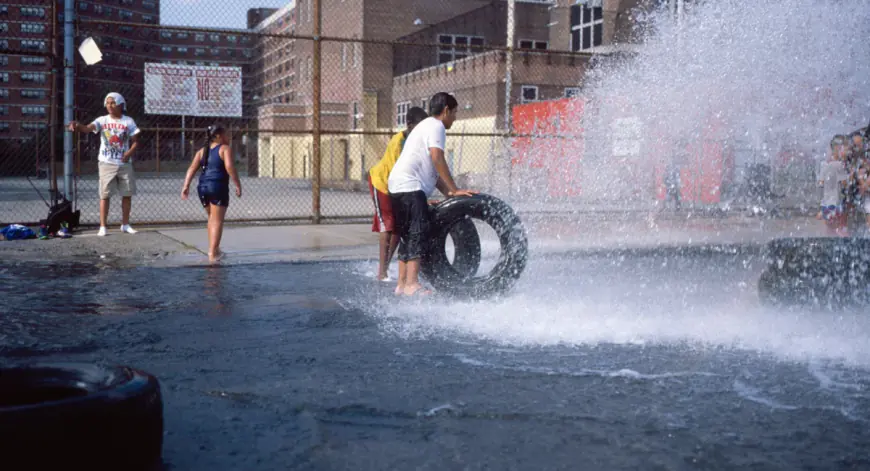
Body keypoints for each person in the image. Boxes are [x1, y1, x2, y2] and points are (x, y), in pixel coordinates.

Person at [387, 92, 477, 297]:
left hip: (397, 185)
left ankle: (401, 284)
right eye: (454, 113)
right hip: (411, 186)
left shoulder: (424, 126)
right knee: (418, 232)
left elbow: (433, 173)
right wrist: (454, 189)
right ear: (445, 110)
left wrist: (449, 194)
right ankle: (412, 284)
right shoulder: (436, 126)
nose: (455, 118)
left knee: (407, 234)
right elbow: (437, 158)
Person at [368, 106, 429, 282]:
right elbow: (399, 171)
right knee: (387, 224)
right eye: (418, 127)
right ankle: (381, 272)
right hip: (382, 183)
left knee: (398, 226)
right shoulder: (399, 141)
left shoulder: (416, 142)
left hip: (397, 186)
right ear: (409, 125)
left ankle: (387, 266)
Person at [67, 92, 140, 237]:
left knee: (127, 194)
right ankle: (103, 226)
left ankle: (125, 224)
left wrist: (129, 153)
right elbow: (88, 128)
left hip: (124, 164)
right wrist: (78, 125)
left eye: (113, 103)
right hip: (106, 163)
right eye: (107, 103)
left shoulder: (128, 121)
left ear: (120, 104)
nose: (110, 106)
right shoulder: (102, 120)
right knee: (104, 195)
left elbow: (136, 141)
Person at [181, 124, 242, 263]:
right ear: (218, 136)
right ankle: (213, 253)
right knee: (217, 220)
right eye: (226, 134)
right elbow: (229, 167)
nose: (228, 137)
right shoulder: (224, 149)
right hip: (217, 186)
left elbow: (191, 168)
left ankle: (214, 249)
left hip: (202, 187)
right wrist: (237, 184)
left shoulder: (201, 151)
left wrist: (186, 185)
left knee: (211, 218)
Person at [817, 135, 849, 236]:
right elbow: (844, 182)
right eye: (842, 146)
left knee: (834, 221)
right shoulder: (835, 163)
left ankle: (835, 230)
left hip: (834, 196)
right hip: (835, 196)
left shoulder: (831, 163)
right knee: (835, 222)